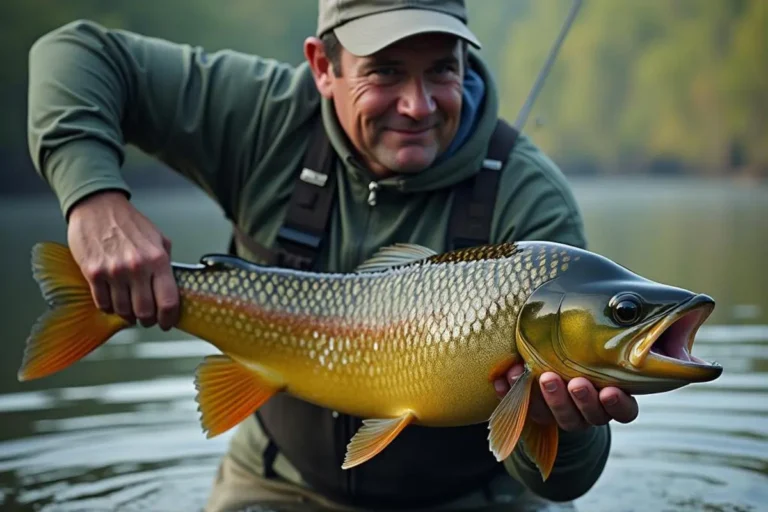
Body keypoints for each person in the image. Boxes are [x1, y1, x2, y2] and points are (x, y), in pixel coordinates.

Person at [26, 1, 639, 510]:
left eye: (442, 71)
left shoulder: (532, 203)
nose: (418, 105)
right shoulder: (263, 116)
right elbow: (75, 52)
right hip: (276, 481)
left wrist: (561, 425)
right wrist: (93, 197)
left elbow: (566, 484)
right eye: (386, 72)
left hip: (471, 498)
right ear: (323, 66)